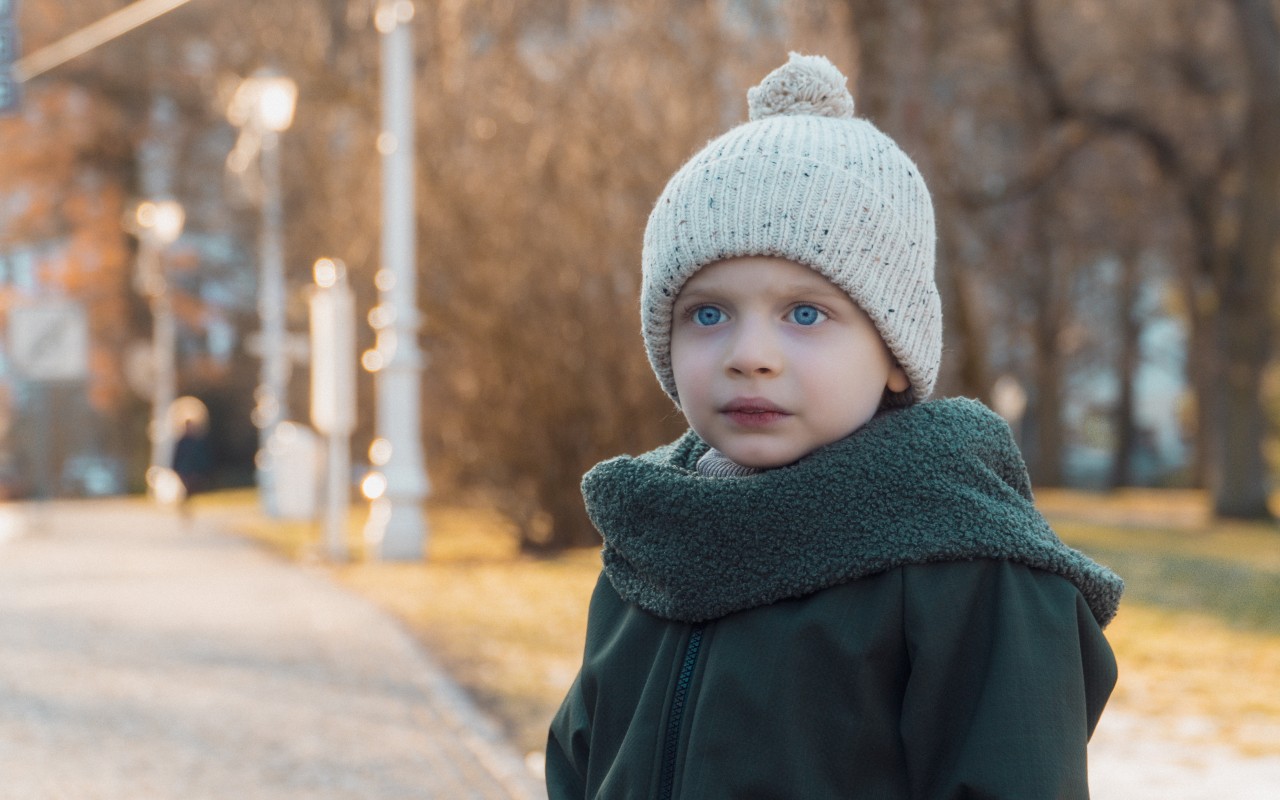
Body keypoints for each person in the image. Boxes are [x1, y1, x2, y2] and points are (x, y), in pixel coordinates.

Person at [546, 53, 1123, 799]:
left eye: (806, 313)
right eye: (708, 313)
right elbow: (579, 767)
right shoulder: (651, 541)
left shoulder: (963, 567)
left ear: (893, 353)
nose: (750, 356)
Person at [171, 417, 213, 513]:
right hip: (184, 471)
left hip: (193, 470)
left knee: (191, 488)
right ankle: (185, 505)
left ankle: (186, 504)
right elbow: (177, 456)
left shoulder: (197, 441)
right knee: (186, 488)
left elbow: (201, 456)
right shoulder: (181, 442)